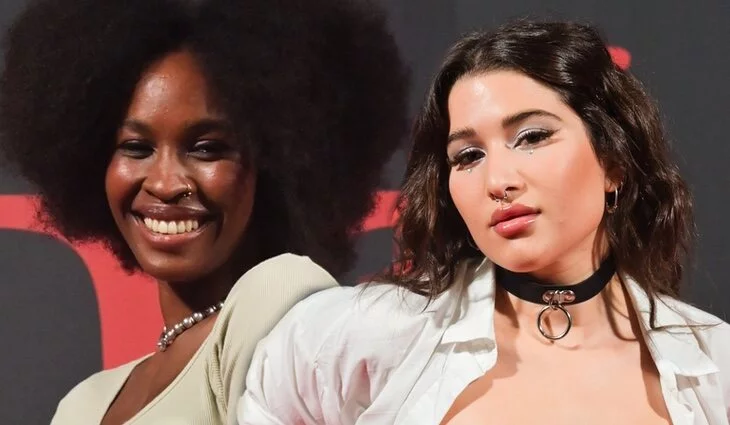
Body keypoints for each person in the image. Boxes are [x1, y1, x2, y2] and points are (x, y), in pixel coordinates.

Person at [238, 20, 730, 425]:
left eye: (532, 137)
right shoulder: (369, 332)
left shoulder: (715, 365)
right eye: (468, 156)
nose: (498, 180)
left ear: (613, 161)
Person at [0, 0, 408, 423]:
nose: (165, 183)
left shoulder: (275, 300)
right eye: (136, 148)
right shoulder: (82, 405)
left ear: (275, 164)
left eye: (207, 148)